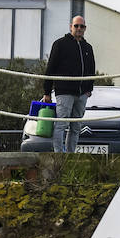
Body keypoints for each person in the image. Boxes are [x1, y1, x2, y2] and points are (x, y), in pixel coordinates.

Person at [42, 15, 96, 153]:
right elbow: (50, 68)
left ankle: (70, 155)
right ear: (70, 26)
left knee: (76, 127)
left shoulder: (88, 47)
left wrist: (89, 89)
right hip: (64, 92)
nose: (79, 28)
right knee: (61, 124)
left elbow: (91, 69)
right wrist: (47, 92)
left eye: (82, 26)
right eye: (76, 26)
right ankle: (59, 155)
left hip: (82, 94)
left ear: (85, 28)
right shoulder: (60, 44)